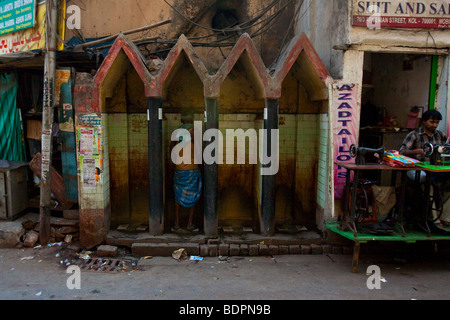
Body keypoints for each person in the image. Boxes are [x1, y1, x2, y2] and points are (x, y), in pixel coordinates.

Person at [399, 110, 449, 228]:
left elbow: (445, 150)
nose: (434, 125)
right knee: (427, 182)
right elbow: (401, 152)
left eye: (437, 122)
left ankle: (446, 218)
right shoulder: (414, 135)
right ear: (424, 121)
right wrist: (418, 151)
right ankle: (434, 220)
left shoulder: (440, 135)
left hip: (435, 169)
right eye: (432, 122)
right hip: (417, 168)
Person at [171, 112, 202, 232]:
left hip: (179, 168)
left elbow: (171, 150)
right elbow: (199, 152)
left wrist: (176, 163)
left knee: (177, 195)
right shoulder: (194, 132)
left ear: (181, 120)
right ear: (192, 120)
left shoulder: (176, 132)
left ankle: (177, 223)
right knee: (192, 194)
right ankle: (190, 224)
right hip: (192, 168)